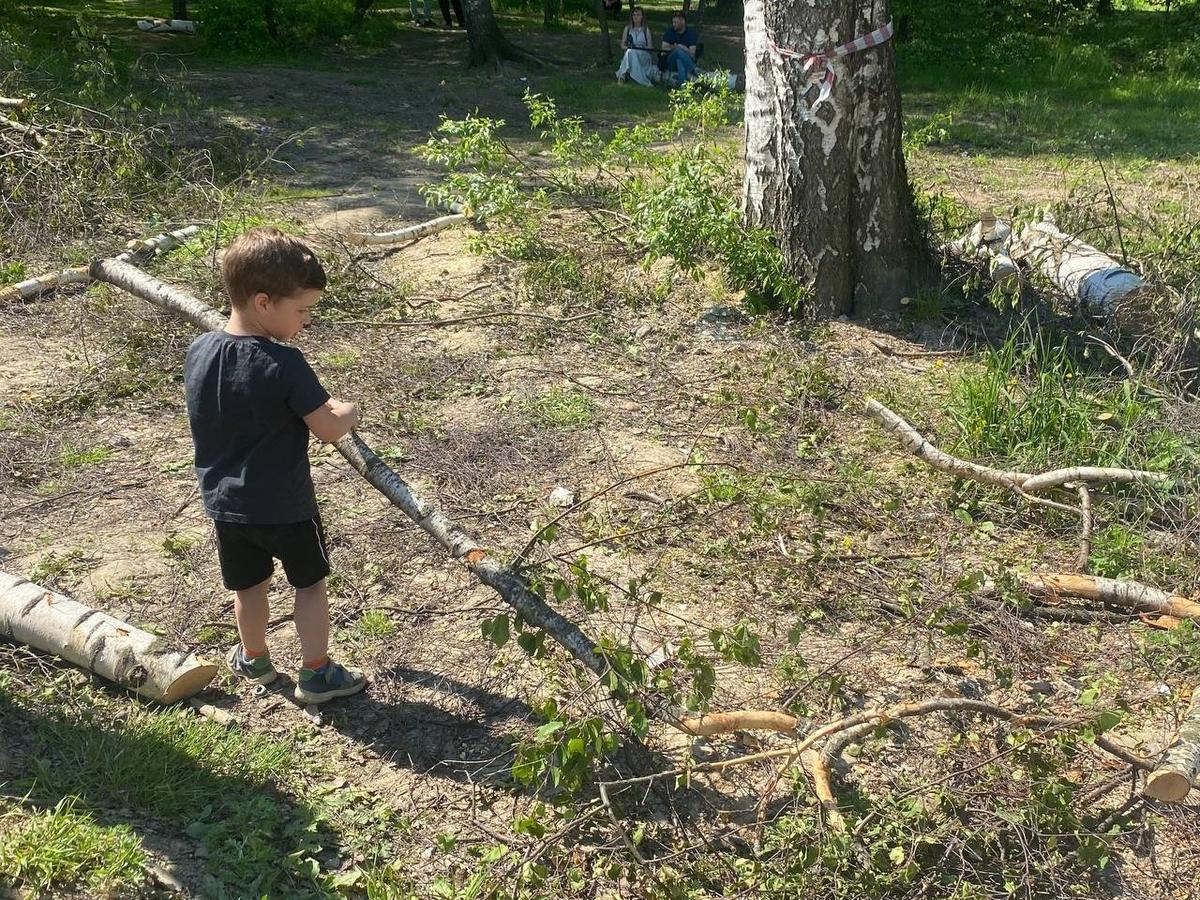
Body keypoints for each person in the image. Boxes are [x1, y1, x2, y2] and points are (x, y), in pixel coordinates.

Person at [184, 228, 367, 704]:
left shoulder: (200, 351)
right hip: (285, 506)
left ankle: (255, 659)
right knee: (309, 587)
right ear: (264, 302)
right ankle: (316, 673)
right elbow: (327, 426)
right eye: (302, 310)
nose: (305, 321)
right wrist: (351, 410)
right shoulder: (284, 363)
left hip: (226, 505)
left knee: (249, 587)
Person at [616, 6, 656, 86]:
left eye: (638, 15)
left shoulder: (645, 30)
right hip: (630, 52)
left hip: (643, 55)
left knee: (630, 53)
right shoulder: (627, 29)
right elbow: (622, 45)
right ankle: (622, 77)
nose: (635, 17)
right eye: (634, 15)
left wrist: (641, 48)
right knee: (630, 52)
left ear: (642, 17)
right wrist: (630, 47)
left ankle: (622, 75)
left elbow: (650, 47)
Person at [661, 11, 698, 86]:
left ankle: (681, 85)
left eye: (676, 22)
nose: (673, 24)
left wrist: (681, 47)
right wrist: (675, 48)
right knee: (677, 52)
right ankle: (693, 69)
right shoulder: (669, 32)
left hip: (685, 60)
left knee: (679, 60)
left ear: (683, 22)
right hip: (670, 62)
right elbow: (664, 49)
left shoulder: (691, 34)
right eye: (673, 22)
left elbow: (692, 54)